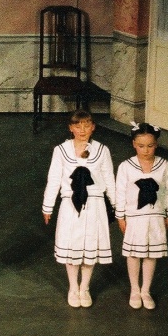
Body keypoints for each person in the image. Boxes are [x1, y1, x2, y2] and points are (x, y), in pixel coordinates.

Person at [42, 109, 116, 308]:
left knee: (90, 247)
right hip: (70, 205)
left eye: (86, 125)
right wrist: (48, 206)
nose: (82, 129)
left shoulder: (102, 150)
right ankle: (73, 287)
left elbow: (109, 179)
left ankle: (85, 287)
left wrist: (118, 207)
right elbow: (54, 179)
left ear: (93, 127)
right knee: (72, 247)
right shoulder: (61, 150)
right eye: (77, 125)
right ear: (71, 128)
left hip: (95, 205)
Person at [115, 122, 168, 310]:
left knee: (151, 254)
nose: (146, 150)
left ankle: (145, 290)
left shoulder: (165, 166)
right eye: (141, 146)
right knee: (134, 253)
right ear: (134, 144)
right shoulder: (126, 166)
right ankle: (134, 290)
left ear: (156, 144)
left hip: (155, 216)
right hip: (134, 216)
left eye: (150, 146)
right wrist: (120, 216)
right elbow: (120, 193)